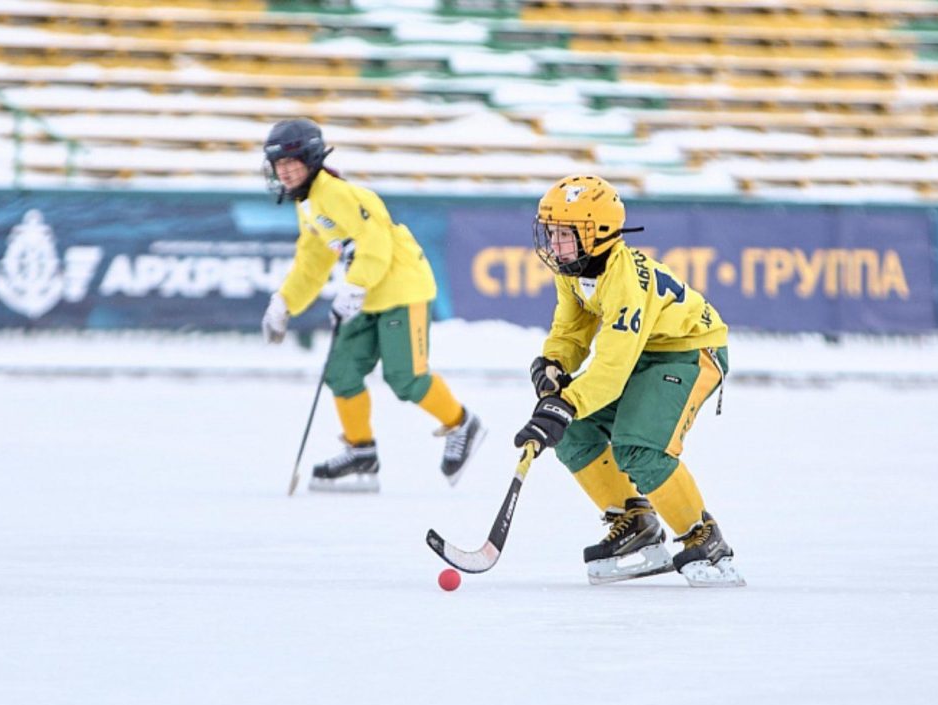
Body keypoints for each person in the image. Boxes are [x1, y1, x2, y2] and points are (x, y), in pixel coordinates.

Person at [513, 174, 745, 587]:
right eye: (551, 232)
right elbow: (571, 333)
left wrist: (564, 404)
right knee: (573, 431)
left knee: (640, 447)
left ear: (598, 234)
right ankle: (634, 521)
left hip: (689, 351)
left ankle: (704, 538)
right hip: (642, 353)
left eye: (565, 235)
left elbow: (611, 371)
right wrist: (552, 367)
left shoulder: (624, 280)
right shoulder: (571, 270)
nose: (554, 244)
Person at [260, 118, 485, 493]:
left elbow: (376, 244)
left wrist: (354, 286)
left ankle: (462, 423)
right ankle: (361, 451)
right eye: (277, 164)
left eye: (290, 162)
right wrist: (284, 302)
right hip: (366, 295)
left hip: (401, 290)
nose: (283, 171)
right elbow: (312, 263)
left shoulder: (340, 195)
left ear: (312, 158)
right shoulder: (309, 205)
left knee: (406, 377)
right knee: (342, 370)